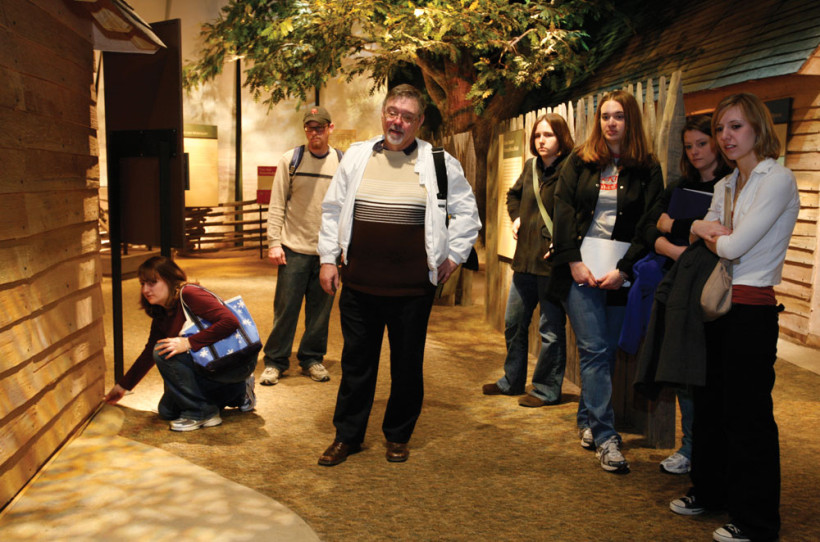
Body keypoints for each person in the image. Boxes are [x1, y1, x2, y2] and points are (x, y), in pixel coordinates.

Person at [316, 84, 481, 466]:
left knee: (407, 366)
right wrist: (328, 258)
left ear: (420, 122)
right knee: (357, 365)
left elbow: (467, 215)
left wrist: (454, 257)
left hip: (412, 289)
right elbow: (332, 209)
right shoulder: (357, 156)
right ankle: (348, 436)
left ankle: (398, 435)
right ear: (383, 113)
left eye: (407, 116)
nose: (398, 121)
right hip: (359, 283)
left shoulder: (440, 163)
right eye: (393, 112)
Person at [669, 93, 798, 542]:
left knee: (748, 416)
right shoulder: (725, 184)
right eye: (721, 128)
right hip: (715, 306)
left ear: (759, 128)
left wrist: (707, 233)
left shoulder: (776, 179)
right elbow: (704, 231)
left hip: (752, 308)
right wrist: (702, 230)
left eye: (736, 127)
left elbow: (731, 246)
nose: (725, 136)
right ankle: (710, 490)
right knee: (709, 406)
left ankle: (757, 521)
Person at [551, 89, 664, 473]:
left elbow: (649, 222)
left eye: (618, 116)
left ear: (630, 121)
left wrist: (626, 270)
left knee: (605, 350)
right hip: (580, 270)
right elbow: (562, 210)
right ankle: (605, 436)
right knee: (596, 350)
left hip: (621, 274)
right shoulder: (580, 161)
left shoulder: (648, 168)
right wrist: (572, 262)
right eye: (605, 116)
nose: (610, 123)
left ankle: (586, 421)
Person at [625, 115, 732, 474]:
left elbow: (718, 236)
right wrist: (678, 247)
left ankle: (706, 449)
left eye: (702, 143)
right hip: (675, 285)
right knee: (682, 372)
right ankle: (689, 447)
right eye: (689, 146)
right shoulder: (676, 187)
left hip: (711, 292)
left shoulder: (729, 188)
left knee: (706, 374)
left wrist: (673, 227)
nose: (696, 151)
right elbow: (647, 226)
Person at [482, 114, 573, 407]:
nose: (542, 141)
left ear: (561, 137)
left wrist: (565, 241)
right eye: (537, 136)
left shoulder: (571, 169)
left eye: (548, 135)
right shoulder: (532, 167)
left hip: (551, 265)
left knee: (550, 331)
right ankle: (512, 381)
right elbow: (512, 195)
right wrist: (517, 216)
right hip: (524, 262)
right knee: (514, 323)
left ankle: (546, 389)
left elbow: (579, 211)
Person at [104, 256, 256, 431]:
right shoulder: (162, 311)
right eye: (142, 283)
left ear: (169, 280)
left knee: (163, 351)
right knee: (167, 411)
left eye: (152, 283)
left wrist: (189, 342)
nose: (146, 289)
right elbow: (147, 355)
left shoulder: (189, 294)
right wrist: (123, 386)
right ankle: (238, 391)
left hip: (231, 362)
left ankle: (203, 412)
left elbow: (230, 322)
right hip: (207, 366)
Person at [260, 106, 341, 386]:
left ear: (330, 128)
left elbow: (346, 207)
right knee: (285, 309)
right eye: (309, 127)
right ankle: (275, 361)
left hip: (327, 253)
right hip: (293, 249)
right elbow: (277, 203)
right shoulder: (291, 160)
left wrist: (343, 247)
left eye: (320, 127)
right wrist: (274, 242)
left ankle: (311, 359)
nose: (314, 132)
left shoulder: (341, 162)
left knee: (320, 313)